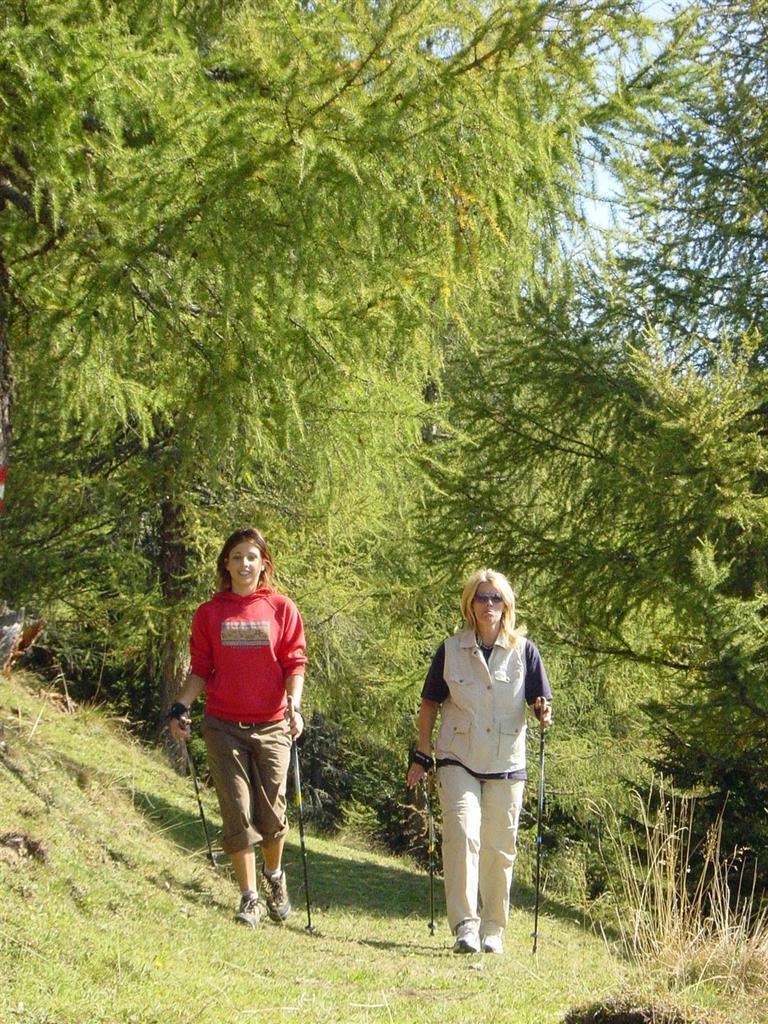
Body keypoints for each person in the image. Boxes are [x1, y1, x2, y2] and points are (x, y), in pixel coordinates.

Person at [406, 568, 552, 955]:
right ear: (469, 604)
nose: (489, 604)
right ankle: (465, 926)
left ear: (507, 606)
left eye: (495, 598)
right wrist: (423, 752)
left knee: (499, 847)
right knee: (462, 834)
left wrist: (542, 712)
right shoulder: (450, 649)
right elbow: (429, 702)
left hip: (506, 761)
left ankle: (493, 928)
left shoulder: (525, 651)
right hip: (458, 756)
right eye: (481, 597)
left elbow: (540, 701)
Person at [168, 527, 306, 928]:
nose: (244, 564)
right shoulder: (209, 614)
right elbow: (200, 669)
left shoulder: (281, 609)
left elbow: (295, 663)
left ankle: (273, 876)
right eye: (237, 557)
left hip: (273, 726)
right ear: (225, 565)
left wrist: (294, 706)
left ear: (264, 564)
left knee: (272, 815)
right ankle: (249, 897)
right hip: (223, 726)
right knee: (236, 810)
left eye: (251, 557)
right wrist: (180, 706)